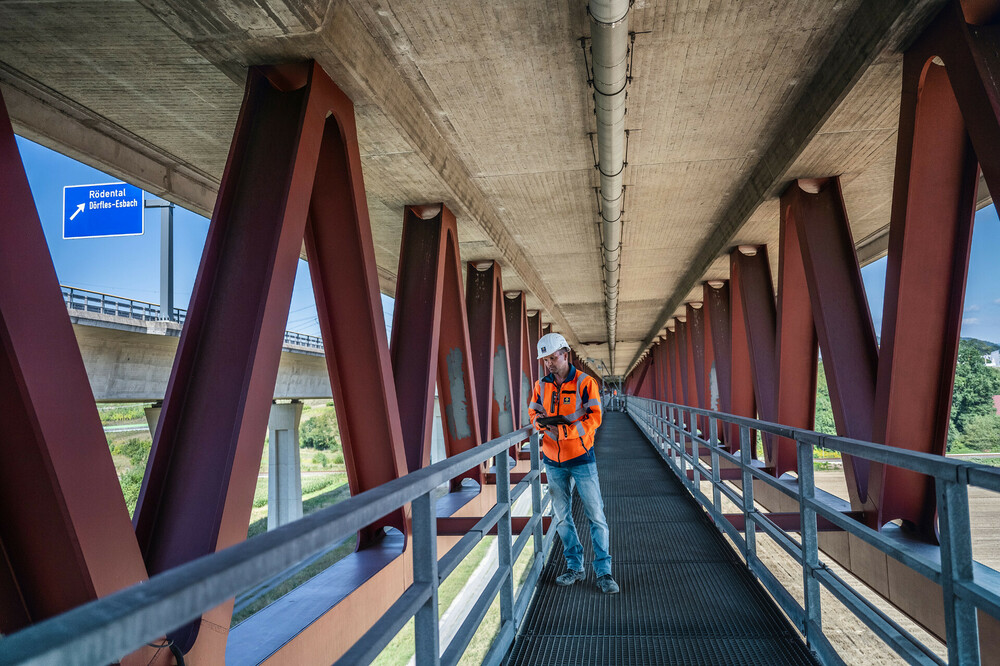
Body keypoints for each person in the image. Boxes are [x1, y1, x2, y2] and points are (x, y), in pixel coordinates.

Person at [528, 332, 619, 594]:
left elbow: (595, 418)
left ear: (565, 355)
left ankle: (604, 573)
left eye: (552, 357)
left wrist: (564, 433)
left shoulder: (584, 382)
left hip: (581, 458)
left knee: (596, 515)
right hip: (553, 460)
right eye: (545, 359)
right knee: (562, 518)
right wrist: (540, 425)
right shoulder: (540, 385)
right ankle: (574, 567)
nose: (549, 363)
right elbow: (533, 411)